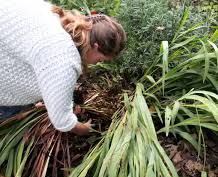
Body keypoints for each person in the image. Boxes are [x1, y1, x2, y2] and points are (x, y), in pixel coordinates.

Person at [0, 0, 126, 135]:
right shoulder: (64, 56)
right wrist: (84, 129)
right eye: (100, 59)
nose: (96, 63)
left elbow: (41, 60)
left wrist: (50, 98)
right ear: (96, 47)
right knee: (10, 120)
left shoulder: (57, 18)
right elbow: (61, 121)